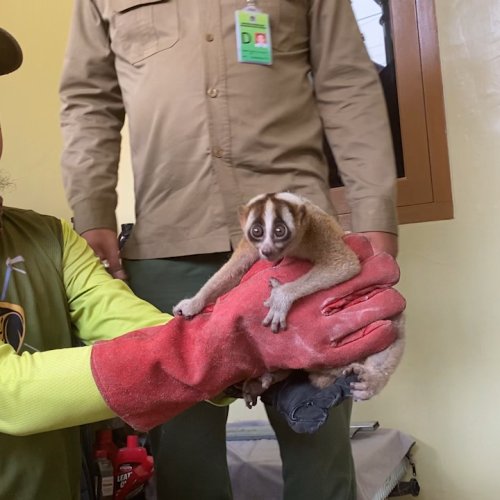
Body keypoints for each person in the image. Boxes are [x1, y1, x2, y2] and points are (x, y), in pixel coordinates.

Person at [0, 25, 405, 500]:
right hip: (168, 240)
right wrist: (221, 347)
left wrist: (230, 358)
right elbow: (13, 394)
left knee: (319, 445)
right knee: (186, 457)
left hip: (302, 244)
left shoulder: (49, 238)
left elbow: (126, 324)